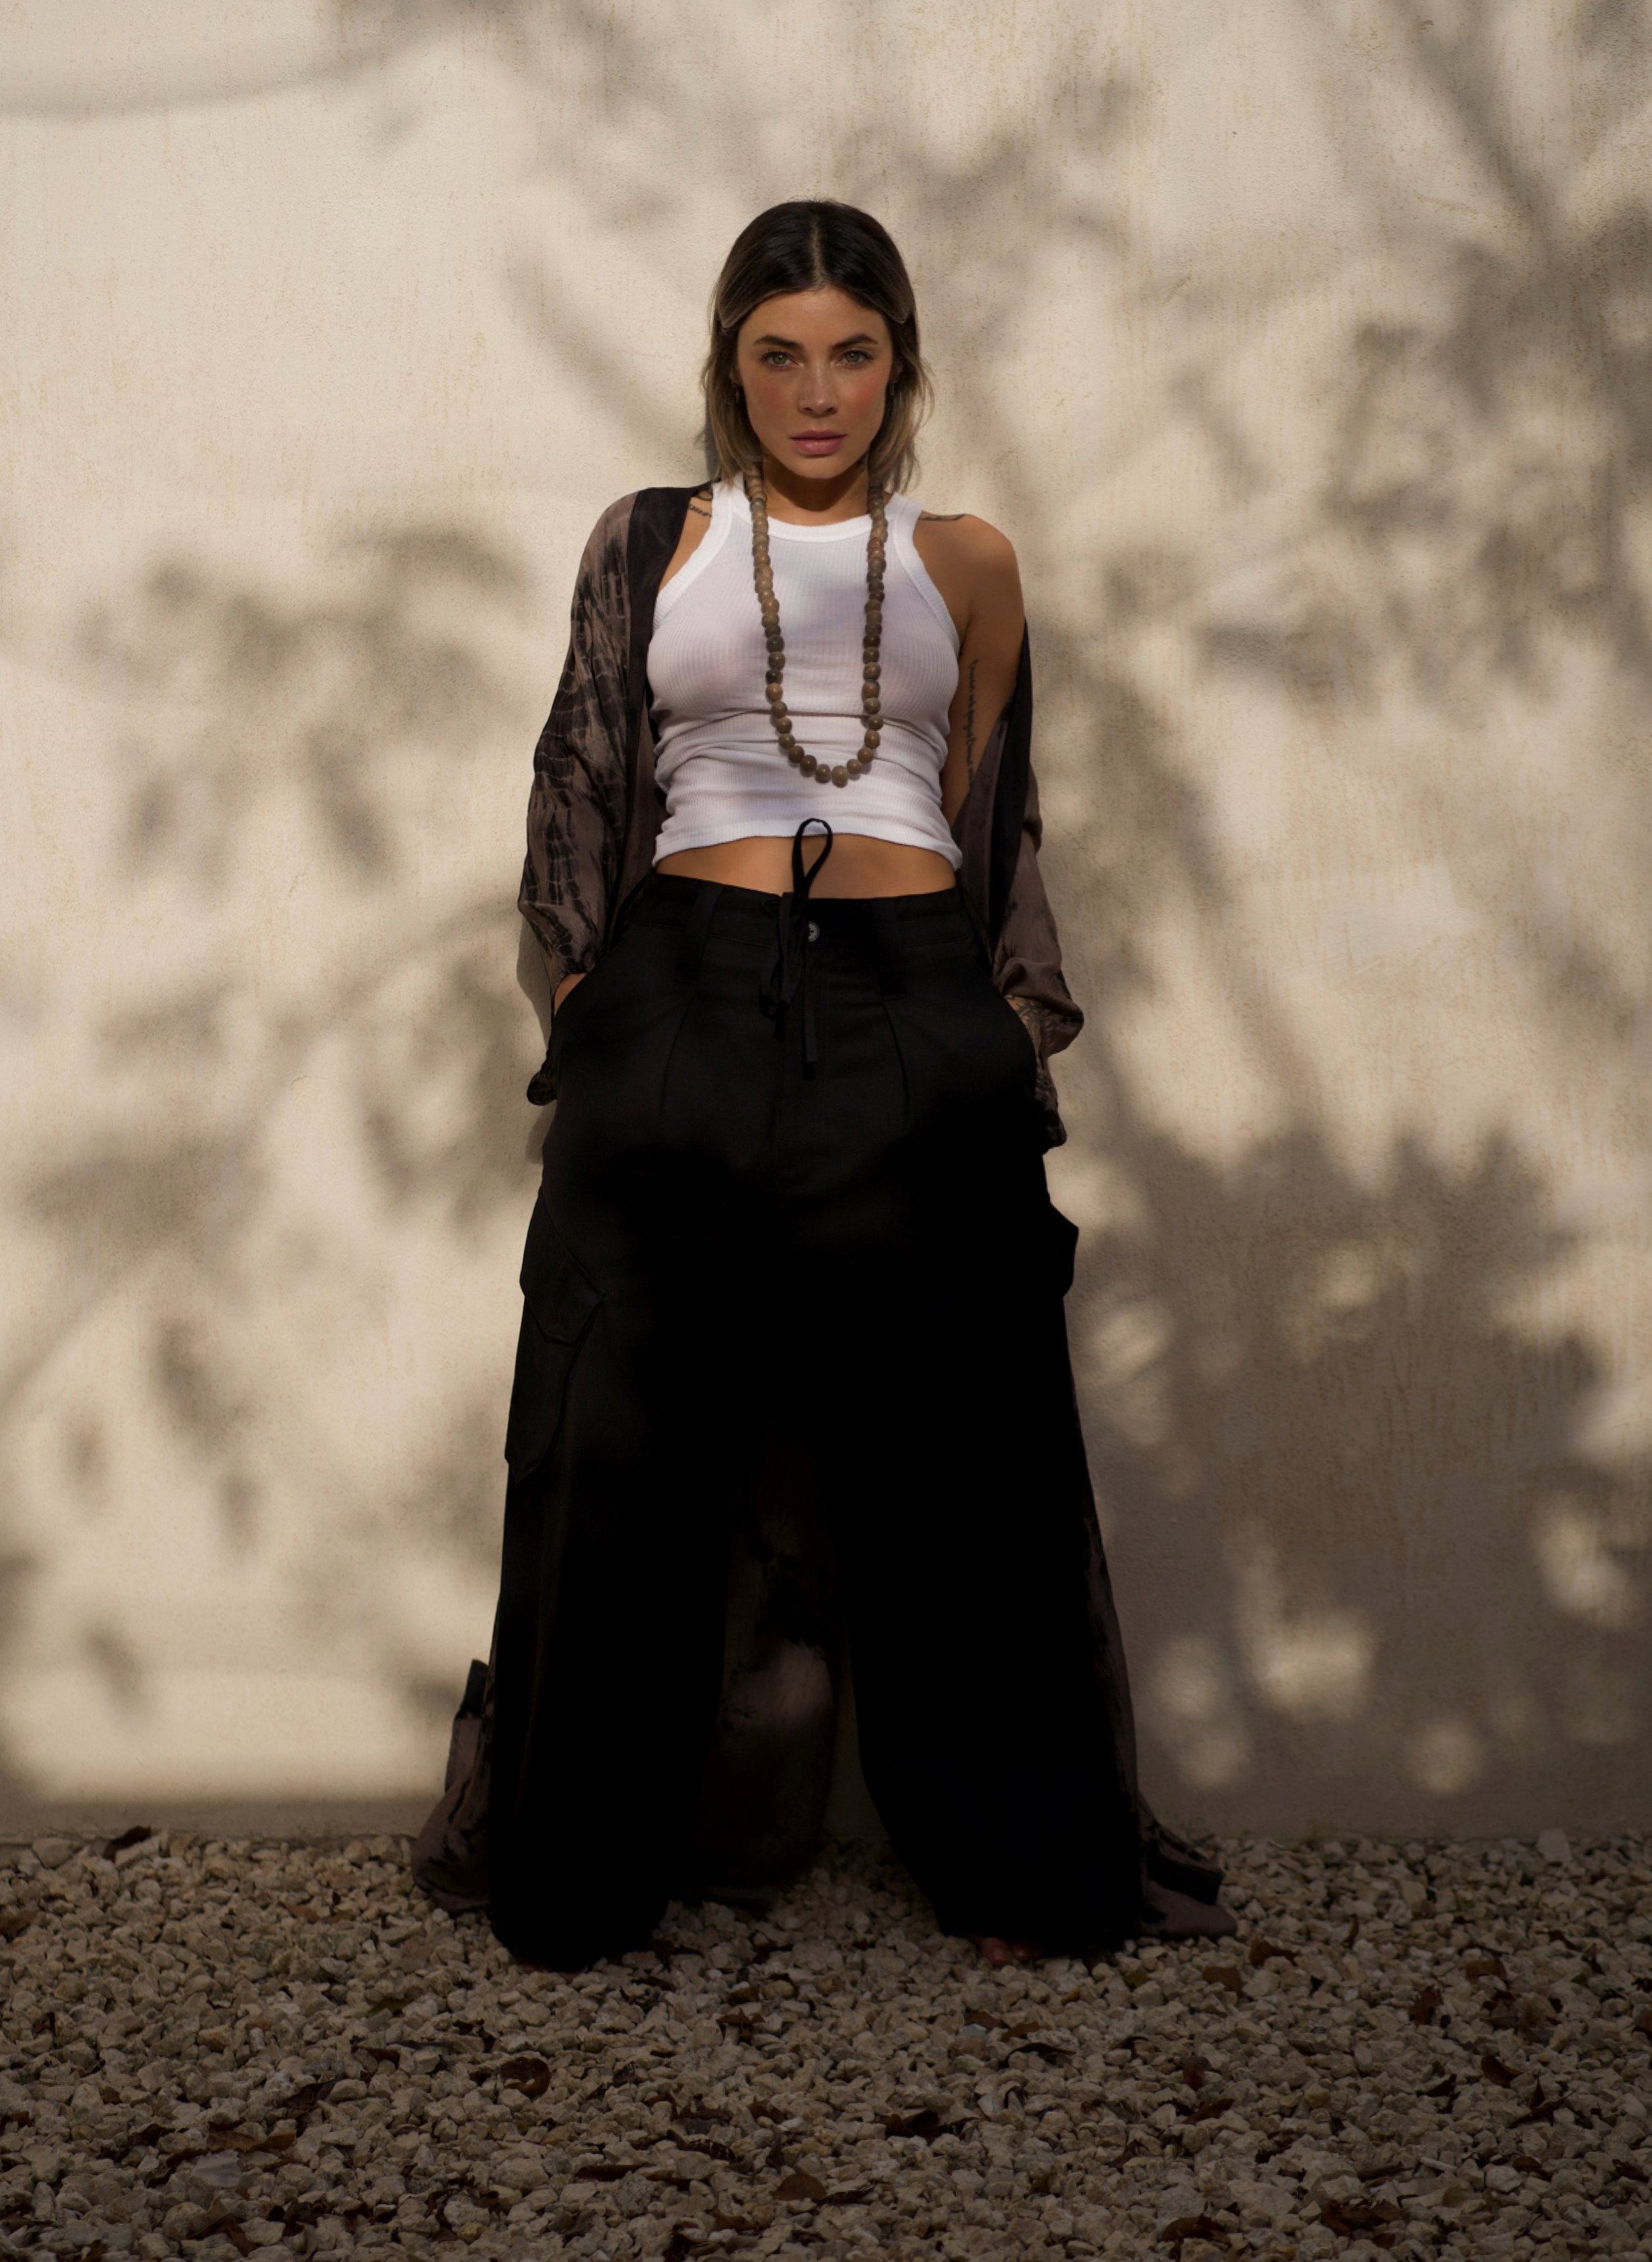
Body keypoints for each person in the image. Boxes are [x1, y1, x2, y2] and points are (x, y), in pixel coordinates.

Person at [412, 198, 1235, 1971]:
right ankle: (581, 1879)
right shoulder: (652, 540)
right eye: (777, 353)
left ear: (898, 367)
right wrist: (588, 995)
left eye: (850, 352)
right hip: (682, 992)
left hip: (904, 1001)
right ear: (729, 364)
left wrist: (978, 1028)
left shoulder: (966, 562)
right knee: (616, 1441)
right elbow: (577, 776)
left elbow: (977, 799)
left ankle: (1021, 1868)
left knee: (964, 1448)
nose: (814, 390)